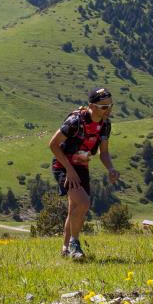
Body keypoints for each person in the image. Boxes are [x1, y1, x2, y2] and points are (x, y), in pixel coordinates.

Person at [48, 87, 120, 260]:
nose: (108, 110)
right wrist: (70, 171)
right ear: (91, 106)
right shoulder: (75, 121)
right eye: (103, 107)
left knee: (75, 207)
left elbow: (103, 153)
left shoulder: (105, 125)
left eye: (110, 105)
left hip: (82, 165)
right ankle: (74, 243)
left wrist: (110, 168)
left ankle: (65, 248)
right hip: (63, 165)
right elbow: (53, 145)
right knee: (84, 202)